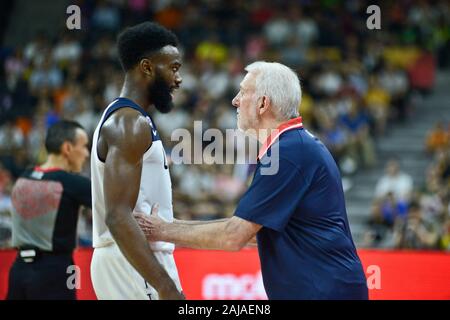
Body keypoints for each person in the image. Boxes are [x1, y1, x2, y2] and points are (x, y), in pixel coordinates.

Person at [138, 61, 369, 300]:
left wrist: (162, 229)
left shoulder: (288, 152)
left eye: (243, 92)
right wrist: (171, 225)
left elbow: (233, 236)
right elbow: (253, 235)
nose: (235, 100)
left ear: (263, 103)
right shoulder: (292, 145)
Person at [90, 22, 184, 300]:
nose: (178, 79)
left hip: (133, 258)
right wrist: (165, 286)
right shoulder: (129, 122)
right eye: (174, 68)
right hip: (130, 260)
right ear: (147, 67)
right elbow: (118, 216)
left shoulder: (129, 118)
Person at [7, 120, 91, 300]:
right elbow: (115, 208)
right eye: (84, 146)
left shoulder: (24, 176)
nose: (86, 153)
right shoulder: (73, 183)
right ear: (67, 148)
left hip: (18, 268)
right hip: (57, 270)